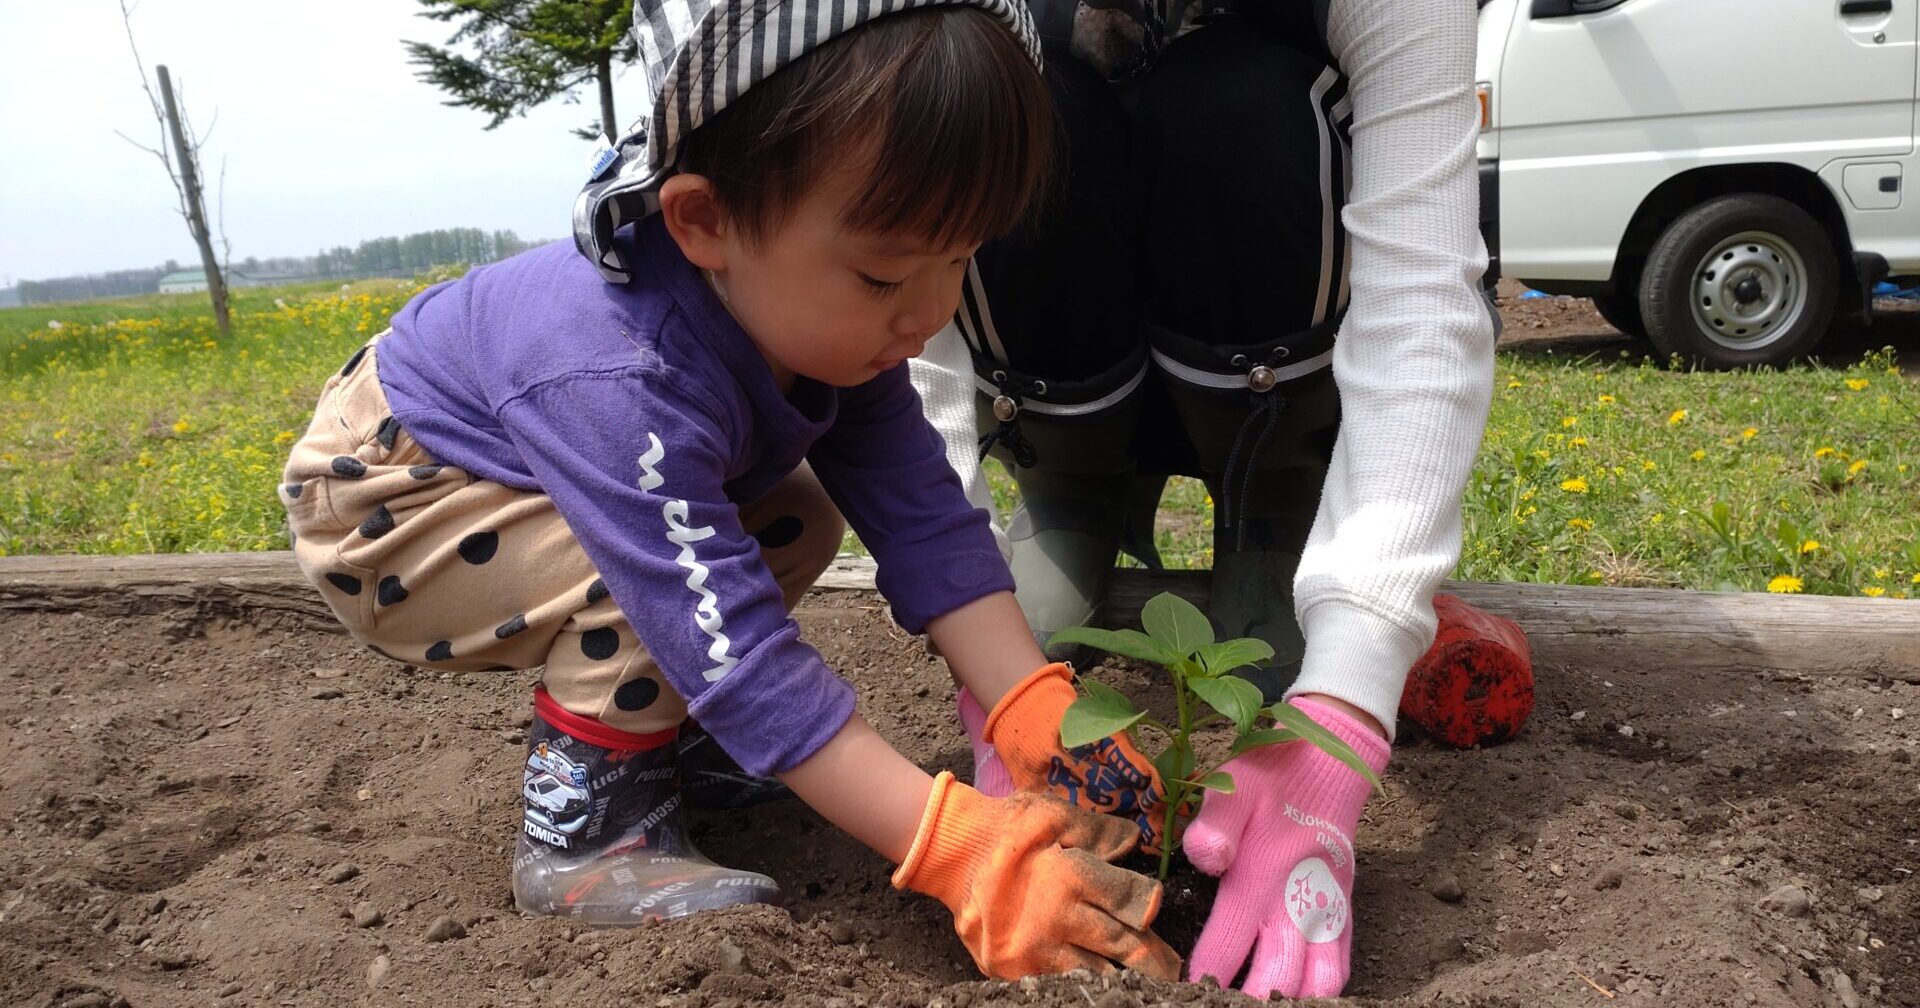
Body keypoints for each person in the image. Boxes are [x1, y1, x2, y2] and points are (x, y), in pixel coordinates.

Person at [277, 0, 1182, 981]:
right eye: (885, 277)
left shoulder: (815, 315)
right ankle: (588, 828)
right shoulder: (626, 371)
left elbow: (922, 514)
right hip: (394, 504)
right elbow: (729, 638)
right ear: (704, 221)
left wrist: (1030, 700)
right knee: (649, 578)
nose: (929, 313)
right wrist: (963, 850)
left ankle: (670, 743)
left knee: (799, 507)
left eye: (960, 259)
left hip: (514, 479)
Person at [910, 0, 1497, 997]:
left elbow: (1422, 299)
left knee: (1238, 97)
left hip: (1272, 351)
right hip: (1068, 357)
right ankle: (1072, 489)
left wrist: (1347, 707)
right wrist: (977, 633)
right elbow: (904, 317)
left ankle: (1273, 502)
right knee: (1020, 96)